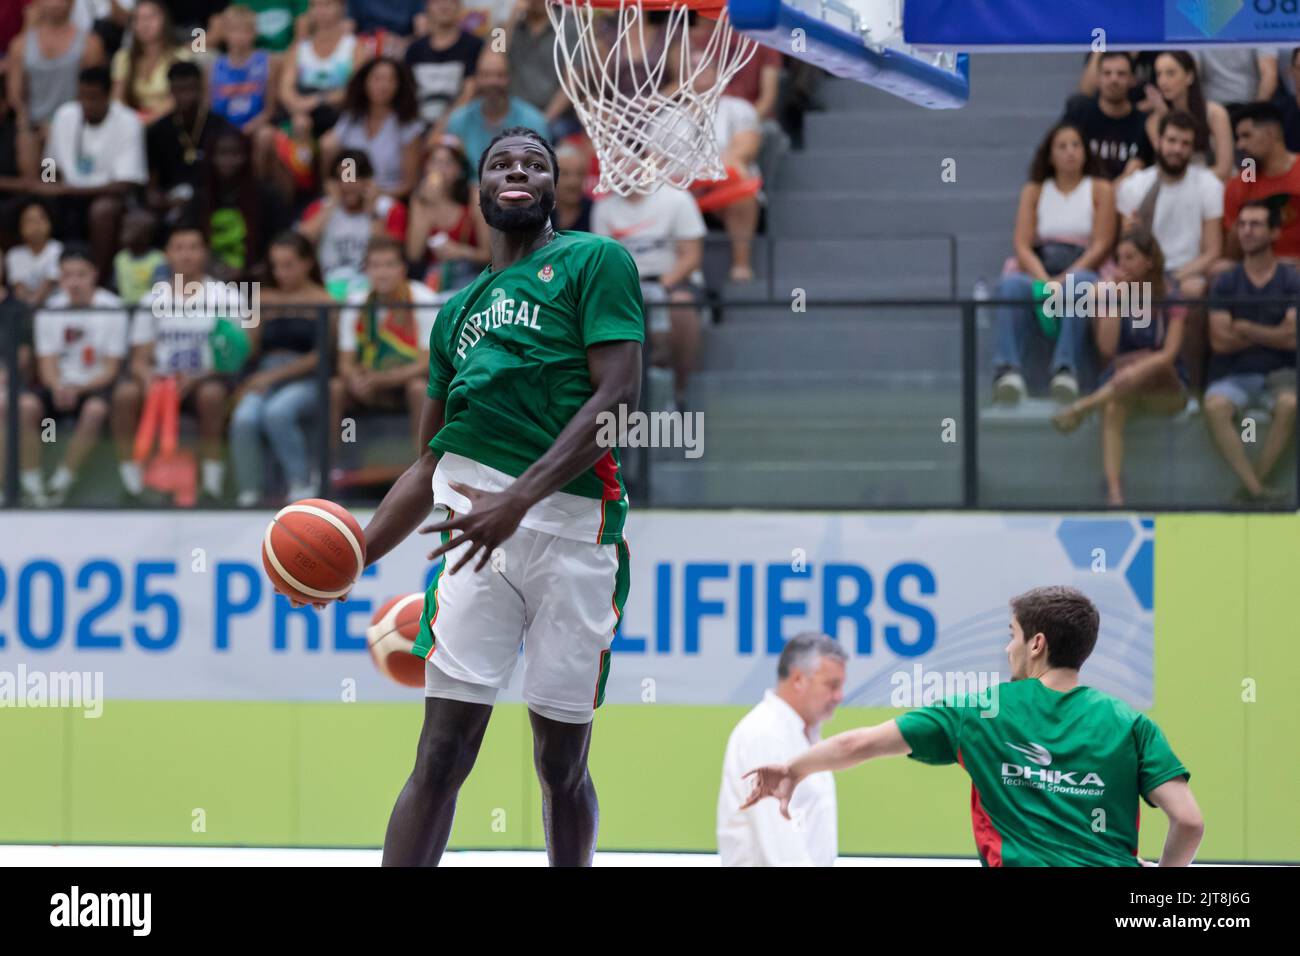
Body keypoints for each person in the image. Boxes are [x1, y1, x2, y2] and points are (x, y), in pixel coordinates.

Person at [329, 127, 645, 867]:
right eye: (501, 162)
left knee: (560, 763)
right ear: (479, 191)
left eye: (535, 164)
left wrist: (520, 501)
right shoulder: (455, 314)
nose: (518, 171)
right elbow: (429, 461)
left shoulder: (593, 261)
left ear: (552, 190)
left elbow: (619, 397)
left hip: (574, 530)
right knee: (440, 754)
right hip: (472, 534)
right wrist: (354, 559)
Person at [743, 586, 1205, 867]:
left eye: (1012, 635)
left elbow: (860, 743)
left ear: (1037, 644)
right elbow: (1189, 821)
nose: (1008, 649)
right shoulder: (1133, 725)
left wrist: (794, 770)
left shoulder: (979, 710)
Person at [1051, 228, 1188, 507]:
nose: (1122, 265)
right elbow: (1107, 349)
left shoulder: (1171, 293)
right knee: (1113, 408)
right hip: (1122, 384)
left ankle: (1083, 406)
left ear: (1149, 261)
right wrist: (1113, 298)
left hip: (1164, 385)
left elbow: (1168, 354)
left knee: (1152, 365)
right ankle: (1115, 494)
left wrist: (1139, 366)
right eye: (1119, 258)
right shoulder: (1111, 292)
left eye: (1130, 257)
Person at [113, 223, 245, 500]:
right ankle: (131, 478)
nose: (187, 255)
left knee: (211, 396)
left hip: (206, 378)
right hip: (160, 382)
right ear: (167, 255)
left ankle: (212, 481)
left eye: (194, 248)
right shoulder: (152, 299)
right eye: (179, 248)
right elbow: (139, 357)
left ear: (205, 253)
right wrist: (147, 377)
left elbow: (236, 354)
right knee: (126, 394)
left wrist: (200, 376)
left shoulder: (226, 295)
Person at [991, 122, 1114, 405]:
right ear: (1050, 155)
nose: (1070, 152)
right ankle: (1007, 370)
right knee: (1011, 286)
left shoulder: (1100, 189)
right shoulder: (1034, 191)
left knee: (1082, 286)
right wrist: (1044, 280)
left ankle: (1065, 370)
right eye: (1062, 146)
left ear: (1085, 152)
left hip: (1082, 268)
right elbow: (1022, 244)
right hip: (1041, 270)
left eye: (1076, 145)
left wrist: (1067, 278)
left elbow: (1102, 244)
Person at [1116, 111, 1225, 391]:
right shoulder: (1134, 186)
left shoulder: (1208, 185)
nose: (1177, 149)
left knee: (1192, 293)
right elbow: (1125, 248)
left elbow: (1213, 251)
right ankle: (1115, 383)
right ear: (1159, 142)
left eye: (1185, 143)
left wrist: (1174, 276)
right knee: (1104, 293)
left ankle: (1191, 388)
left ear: (1193, 148)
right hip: (1143, 272)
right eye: (1172, 141)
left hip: (1187, 272)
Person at [717, 632, 844, 867]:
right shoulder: (763, 734)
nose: (839, 696)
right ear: (798, 680)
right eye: (831, 685)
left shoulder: (807, 736)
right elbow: (781, 850)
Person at [1204, 201, 1299, 505]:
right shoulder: (1226, 282)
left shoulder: (1290, 280)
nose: (1246, 231)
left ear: (1273, 232)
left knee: (1290, 404)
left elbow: (1292, 339)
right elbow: (1220, 342)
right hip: (1233, 375)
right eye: (1242, 224)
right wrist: (1271, 334)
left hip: (1280, 374)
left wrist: (1244, 328)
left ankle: (1250, 487)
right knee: (1216, 406)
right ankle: (1257, 491)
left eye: (1256, 224)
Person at [231, 231, 333, 506]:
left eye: (288, 265)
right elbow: (251, 350)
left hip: (307, 377)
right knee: (244, 417)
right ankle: (249, 491)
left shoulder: (324, 301)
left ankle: (301, 483)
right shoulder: (262, 298)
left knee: (278, 412)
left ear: (307, 263)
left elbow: (321, 355)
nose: (281, 272)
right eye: (275, 265)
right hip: (265, 371)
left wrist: (272, 376)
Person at [31, 244, 130, 505]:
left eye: (81, 274)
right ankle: (31, 480)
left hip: (94, 387)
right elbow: (47, 362)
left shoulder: (112, 307)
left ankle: (63, 480)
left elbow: (111, 368)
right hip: (57, 388)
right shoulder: (50, 309)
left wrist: (79, 389)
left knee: (95, 411)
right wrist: (57, 387)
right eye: (67, 275)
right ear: (60, 277)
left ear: (94, 274)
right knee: (28, 408)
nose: (74, 282)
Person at [592, 183, 705, 411]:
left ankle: (682, 393)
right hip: (625, 285)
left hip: (672, 281)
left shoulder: (678, 199)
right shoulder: (603, 207)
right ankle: (613, 404)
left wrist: (660, 286)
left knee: (681, 306)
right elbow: (603, 262)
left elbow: (691, 257)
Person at [331, 235, 438, 453]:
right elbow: (345, 362)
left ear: (402, 269)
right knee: (336, 388)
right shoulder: (356, 303)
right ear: (366, 270)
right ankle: (333, 466)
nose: (382, 272)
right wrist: (356, 380)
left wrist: (383, 379)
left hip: (405, 383)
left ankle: (421, 466)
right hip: (370, 383)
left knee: (419, 388)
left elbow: (427, 363)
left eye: (390, 265)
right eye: (375, 265)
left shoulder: (424, 299)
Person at [39, 65, 148, 276]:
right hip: (68, 195)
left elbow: (126, 183)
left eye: (93, 97)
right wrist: (48, 183)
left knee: (102, 210)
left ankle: (97, 277)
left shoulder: (128, 121)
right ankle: (54, 275)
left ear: (108, 96)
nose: (86, 104)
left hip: (110, 196)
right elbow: (49, 163)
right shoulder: (65, 114)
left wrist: (67, 190)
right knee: (37, 207)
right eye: (82, 97)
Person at [7, 0, 106, 179]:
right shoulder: (20, 45)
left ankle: (49, 190)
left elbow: (93, 90)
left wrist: (61, 123)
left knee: (50, 162)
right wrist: (25, 125)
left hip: (73, 123)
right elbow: (15, 92)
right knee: (26, 146)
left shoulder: (89, 44)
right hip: (32, 124)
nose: (54, 4)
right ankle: (34, 196)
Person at [296, 148, 408, 297]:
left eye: (353, 177)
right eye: (341, 178)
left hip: (372, 287)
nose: (347, 185)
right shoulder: (320, 208)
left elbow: (390, 253)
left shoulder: (390, 209)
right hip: (327, 286)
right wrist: (333, 204)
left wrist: (372, 213)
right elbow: (299, 243)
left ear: (368, 181)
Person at [145, 61, 239, 225]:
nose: (186, 96)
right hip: (170, 201)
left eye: (190, 89)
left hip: (209, 198)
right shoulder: (158, 131)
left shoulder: (218, 126)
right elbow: (151, 186)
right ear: (171, 91)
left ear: (200, 89)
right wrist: (164, 200)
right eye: (179, 90)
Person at [195, 127, 291, 280]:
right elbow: (190, 242)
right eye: (222, 154)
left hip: (256, 281)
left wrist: (261, 268)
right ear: (211, 158)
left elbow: (283, 239)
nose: (229, 161)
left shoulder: (267, 196)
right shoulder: (200, 199)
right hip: (209, 281)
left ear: (247, 157)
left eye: (236, 154)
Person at [321, 56, 423, 199]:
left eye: (390, 80)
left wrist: (378, 193)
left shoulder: (408, 126)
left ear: (399, 86)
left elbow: (409, 184)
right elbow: (342, 161)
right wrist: (347, 189)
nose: (383, 86)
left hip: (386, 196)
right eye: (377, 79)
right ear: (364, 82)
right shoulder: (351, 117)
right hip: (349, 195)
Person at [405, 137, 489, 293]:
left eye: (448, 163)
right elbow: (414, 254)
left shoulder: (474, 197)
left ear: (459, 170)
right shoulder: (420, 200)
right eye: (434, 162)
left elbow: (489, 255)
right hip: (433, 280)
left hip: (470, 278)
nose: (440, 169)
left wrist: (460, 251)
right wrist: (427, 206)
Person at [441, 49, 545, 174]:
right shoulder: (459, 120)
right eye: (486, 75)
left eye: (500, 75)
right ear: (476, 78)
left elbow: (541, 173)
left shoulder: (533, 121)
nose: (493, 82)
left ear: (510, 78)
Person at [1223, 102, 1300, 267]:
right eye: (1238, 138)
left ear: (1271, 134)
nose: (1240, 145)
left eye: (1246, 136)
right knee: (1219, 270)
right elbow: (1232, 256)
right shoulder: (1241, 184)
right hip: (1256, 274)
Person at [1138, 51, 1233, 182]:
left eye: (1170, 73)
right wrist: (1166, 116)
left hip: (1211, 188)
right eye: (1159, 74)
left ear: (1189, 76)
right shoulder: (1154, 121)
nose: (1163, 81)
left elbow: (1224, 170)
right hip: (1173, 189)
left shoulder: (1215, 113)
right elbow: (1170, 165)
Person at [1062, 51, 1153, 181]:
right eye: (1107, 73)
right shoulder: (1079, 114)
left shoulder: (1143, 123)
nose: (1113, 79)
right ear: (1098, 78)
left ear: (1132, 80)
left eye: (1121, 74)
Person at [0, 255, 43, 507]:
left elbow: (24, 357)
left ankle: (30, 478)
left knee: (26, 408)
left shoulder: (17, 307)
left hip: (13, 383)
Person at [403, 0, 482, 130]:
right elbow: (408, 94)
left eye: (451, 1)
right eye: (437, 1)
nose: (444, 5)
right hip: (418, 127)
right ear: (427, 6)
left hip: (460, 127)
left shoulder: (474, 46)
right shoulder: (414, 50)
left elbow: (470, 92)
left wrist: (440, 128)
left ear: (460, 6)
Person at [110, 0, 187, 124]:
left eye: (151, 17)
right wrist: (133, 121)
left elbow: (176, 100)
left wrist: (148, 119)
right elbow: (117, 99)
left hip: (168, 124)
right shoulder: (123, 58)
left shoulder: (181, 57)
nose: (145, 24)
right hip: (132, 123)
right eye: (138, 18)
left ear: (164, 20)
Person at [208, 4, 275, 137]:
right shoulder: (213, 67)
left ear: (255, 32)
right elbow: (209, 109)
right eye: (233, 30)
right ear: (224, 33)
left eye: (245, 31)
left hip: (255, 128)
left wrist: (251, 126)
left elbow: (270, 109)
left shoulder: (267, 61)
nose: (239, 36)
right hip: (223, 129)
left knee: (265, 135)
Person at [6, 199, 63, 307]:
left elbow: (49, 284)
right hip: (25, 307)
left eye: (41, 219)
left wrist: (33, 306)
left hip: (54, 306)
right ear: (20, 227)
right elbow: (19, 288)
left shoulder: (58, 249)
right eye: (29, 221)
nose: (36, 225)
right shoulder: (14, 254)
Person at [111, 205, 165, 302]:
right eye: (124, 228)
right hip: (123, 310)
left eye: (131, 229)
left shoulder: (158, 259)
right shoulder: (120, 258)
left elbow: (161, 292)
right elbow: (115, 289)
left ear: (146, 235)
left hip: (149, 309)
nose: (124, 233)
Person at [550, 142, 591, 233]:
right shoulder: (541, 213)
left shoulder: (595, 212)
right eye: (565, 174)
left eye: (580, 173)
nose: (573, 182)